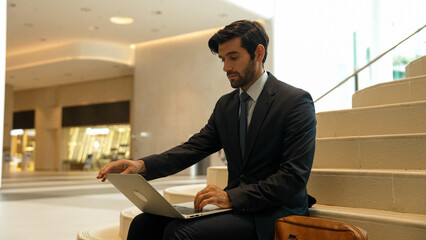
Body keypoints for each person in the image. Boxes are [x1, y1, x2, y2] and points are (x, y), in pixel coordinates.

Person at [97, 20, 316, 240]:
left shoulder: (295, 102)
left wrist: (231, 197)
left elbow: (293, 177)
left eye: (233, 57)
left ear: (258, 53)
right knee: (144, 223)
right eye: (223, 59)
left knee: (180, 234)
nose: (226, 67)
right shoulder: (226, 105)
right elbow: (193, 148)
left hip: (274, 212)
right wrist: (140, 165)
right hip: (237, 208)